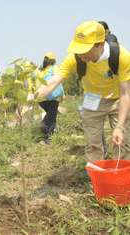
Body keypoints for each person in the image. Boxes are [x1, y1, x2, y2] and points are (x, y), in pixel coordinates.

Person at [16, 21, 130, 164]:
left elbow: (126, 93)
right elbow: (51, 83)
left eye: (86, 49)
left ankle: (120, 181)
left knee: (122, 143)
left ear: (101, 44)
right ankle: (96, 180)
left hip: (117, 100)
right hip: (93, 102)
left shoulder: (121, 56)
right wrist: (28, 103)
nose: (81, 54)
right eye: (78, 48)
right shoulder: (75, 58)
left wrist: (119, 126)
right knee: (93, 145)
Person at [36, 53, 65, 145]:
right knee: (52, 116)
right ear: (53, 60)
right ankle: (45, 130)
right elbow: (58, 80)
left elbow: (38, 86)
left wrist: (36, 98)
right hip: (53, 96)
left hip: (43, 97)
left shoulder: (40, 71)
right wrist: (62, 93)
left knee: (51, 114)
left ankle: (47, 135)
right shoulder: (54, 68)